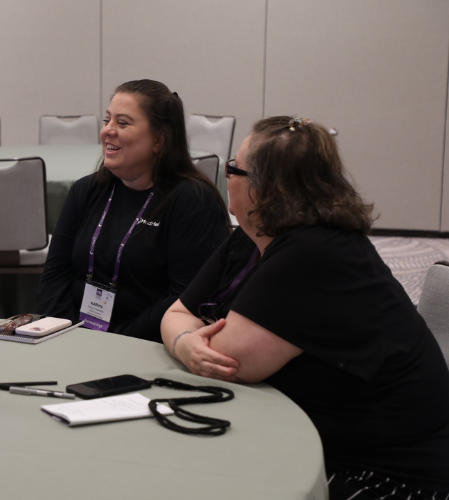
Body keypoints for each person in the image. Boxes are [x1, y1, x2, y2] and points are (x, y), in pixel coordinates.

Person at [161, 116, 449, 498]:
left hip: (388, 477)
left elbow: (226, 364)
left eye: (233, 168)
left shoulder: (313, 253)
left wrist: (187, 340)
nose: (226, 176)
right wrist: (185, 343)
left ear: (262, 189)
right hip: (325, 444)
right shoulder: (253, 238)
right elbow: (176, 314)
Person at [36, 80, 230, 342]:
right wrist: (67, 335)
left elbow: (185, 298)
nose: (108, 130)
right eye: (107, 120)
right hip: (72, 339)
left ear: (159, 140)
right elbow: (54, 277)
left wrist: (117, 341)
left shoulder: (194, 201)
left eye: (123, 123)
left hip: (147, 345)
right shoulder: (85, 191)